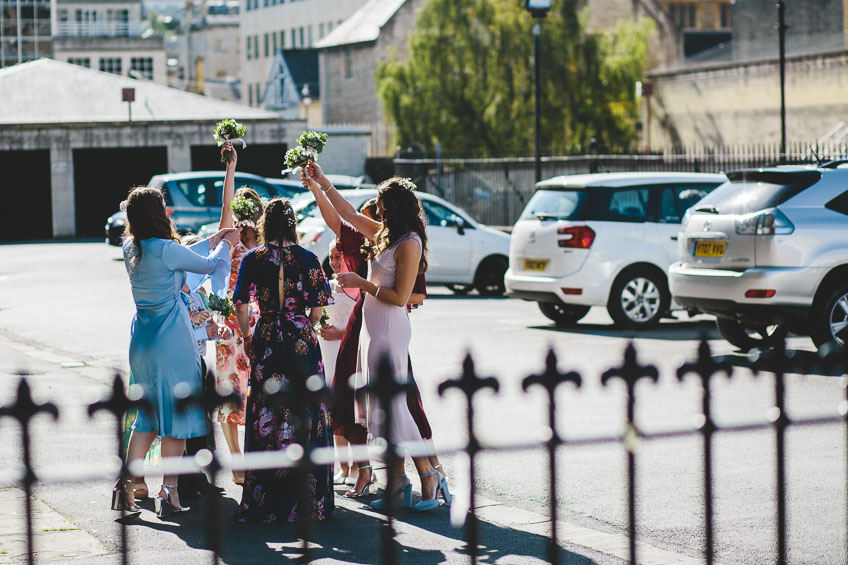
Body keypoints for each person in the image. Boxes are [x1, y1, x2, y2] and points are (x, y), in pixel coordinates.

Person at [304, 164, 450, 512]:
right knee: (380, 406)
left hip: (389, 326)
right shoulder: (384, 234)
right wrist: (323, 182)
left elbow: (401, 297)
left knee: (395, 404)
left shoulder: (409, 243)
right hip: (372, 326)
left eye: (383, 204)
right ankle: (397, 481)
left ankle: (430, 475)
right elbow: (349, 214)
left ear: (394, 207)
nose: (378, 209)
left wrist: (362, 283)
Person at [118, 186, 239, 516]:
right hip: (172, 340)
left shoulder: (132, 246)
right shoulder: (166, 248)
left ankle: (126, 486)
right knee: (178, 417)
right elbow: (208, 266)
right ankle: (169, 489)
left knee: (146, 416)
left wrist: (215, 240)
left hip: (141, 339)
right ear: (159, 214)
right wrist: (227, 243)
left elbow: (188, 255)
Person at [233, 197, 334, 523]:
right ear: (291, 224)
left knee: (267, 412)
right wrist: (305, 326)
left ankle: (266, 502)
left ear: (265, 223)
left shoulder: (253, 258)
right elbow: (318, 310)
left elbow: (240, 305)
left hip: (267, 339)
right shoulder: (308, 258)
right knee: (307, 412)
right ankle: (308, 500)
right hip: (301, 338)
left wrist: (248, 336)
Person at [214, 145, 262, 485]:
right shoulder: (231, 239)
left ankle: (247, 460)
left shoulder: (265, 242)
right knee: (233, 393)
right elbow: (224, 211)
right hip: (232, 326)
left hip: (253, 324)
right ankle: (237, 462)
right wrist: (231, 169)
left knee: (249, 393)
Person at [315, 240, 358, 486]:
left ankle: (358, 466)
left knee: (350, 409)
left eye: (337, 257)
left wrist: (340, 332)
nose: (333, 262)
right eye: (330, 257)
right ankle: (342, 466)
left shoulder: (357, 289)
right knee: (333, 411)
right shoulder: (327, 287)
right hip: (326, 352)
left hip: (347, 349)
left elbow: (360, 323)